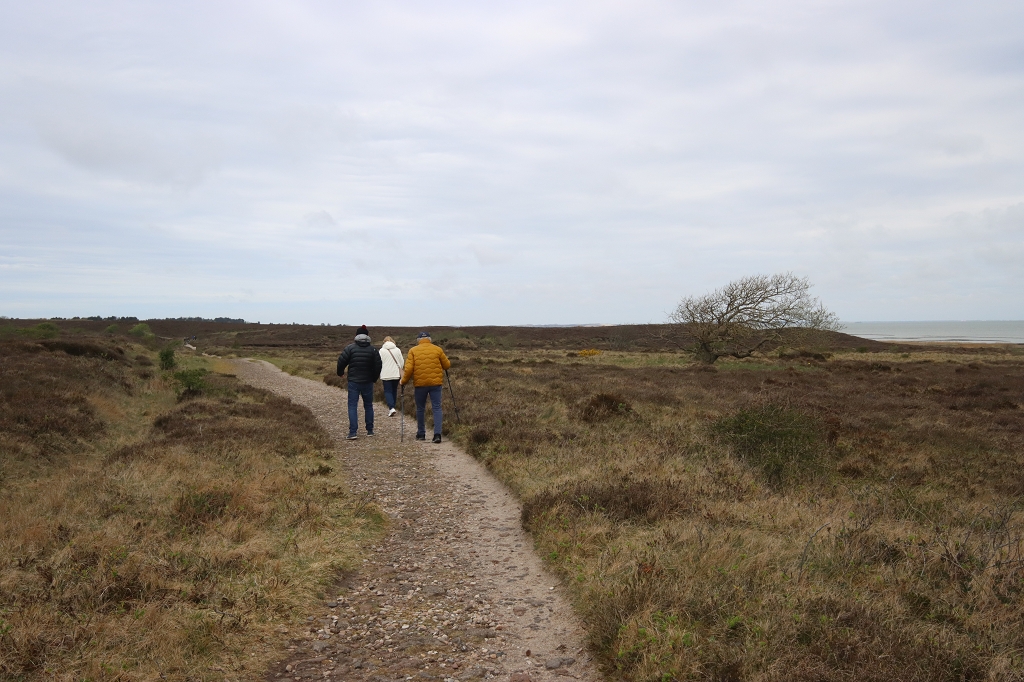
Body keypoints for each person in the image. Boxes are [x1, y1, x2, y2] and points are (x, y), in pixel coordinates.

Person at [400, 331, 451, 443]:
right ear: (430, 339)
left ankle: (421, 434)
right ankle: (437, 435)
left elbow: (408, 370)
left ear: (418, 340)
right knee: (436, 408)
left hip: (420, 385)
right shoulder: (438, 349)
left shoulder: (413, 350)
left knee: (420, 408)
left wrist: (403, 381)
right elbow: (447, 365)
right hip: (436, 384)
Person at [336, 325, 382, 440]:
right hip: (367, 382)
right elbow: (378, 366)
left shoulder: (350, 348)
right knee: (368, 406)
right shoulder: (373, 350)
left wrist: (340, 372)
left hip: (353, 382)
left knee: (352, 406)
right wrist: (374, 378)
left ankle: (353, 432)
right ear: (367, 336)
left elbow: (341, 361)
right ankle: (370, 430)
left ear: (356, 336)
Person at [378, 336, 404, 417]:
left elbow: (379, 363)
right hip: (396, 374)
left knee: (388, 391)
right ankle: (393, 407)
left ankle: (391, 408)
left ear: (384, 342)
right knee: (394, 390)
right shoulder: (397, 350)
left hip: (386, 374)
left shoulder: (381, 351)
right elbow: (402, 362)